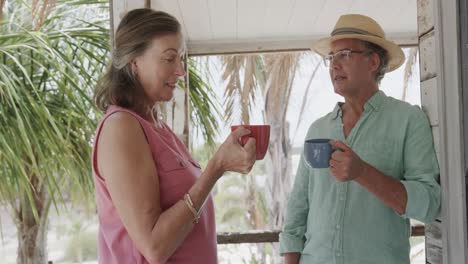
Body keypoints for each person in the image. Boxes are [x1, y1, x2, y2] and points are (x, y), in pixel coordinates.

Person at [92, 8, 256, 263]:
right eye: (169, 59)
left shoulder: (158, 127)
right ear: (134, 62)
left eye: (180, 58)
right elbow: (155, 247)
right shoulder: (121, 127)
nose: (181, 70)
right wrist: (216, 167)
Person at [279, 14, 441, 264]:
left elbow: (429, 205)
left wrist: (362, 172)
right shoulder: (317, 129)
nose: (334, 65)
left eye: (344, 54)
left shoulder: (408, 120)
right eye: (331, 58)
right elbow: (296, 214)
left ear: (373, 62)